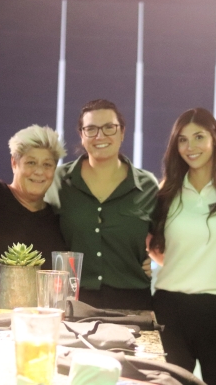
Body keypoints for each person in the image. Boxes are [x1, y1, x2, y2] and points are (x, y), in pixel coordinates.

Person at [148, 108, 216, 385]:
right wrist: (189, 264)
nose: (191, 146)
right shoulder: (167, 190)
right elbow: (152, 245)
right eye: (183, 140)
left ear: (215, 139)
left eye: (199, 137)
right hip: (169, 310)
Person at [45, 99, 159, 309]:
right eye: (91, 129)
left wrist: (158, 265)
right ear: (81, 134)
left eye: (109, 128)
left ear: (122, 132)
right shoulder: (57, 180)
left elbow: (168, 241)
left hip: (133, 303)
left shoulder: (147, 185)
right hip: (72, 302)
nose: (100, 136)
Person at [0, 125, 67, 284]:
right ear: (14, 163)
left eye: (47, 165)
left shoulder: (57, 221)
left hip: (36, 309)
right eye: (31, 162)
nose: (39, 171)